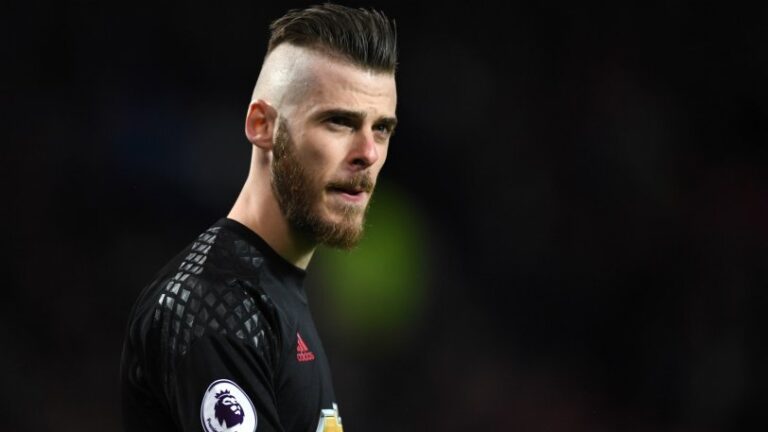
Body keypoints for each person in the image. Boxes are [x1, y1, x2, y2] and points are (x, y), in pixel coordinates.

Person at [120, 4, 398, 431]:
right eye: (339, 122)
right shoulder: (214, 307)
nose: (368, 153)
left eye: (381, 128)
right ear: (262, 126)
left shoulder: (269, 292)